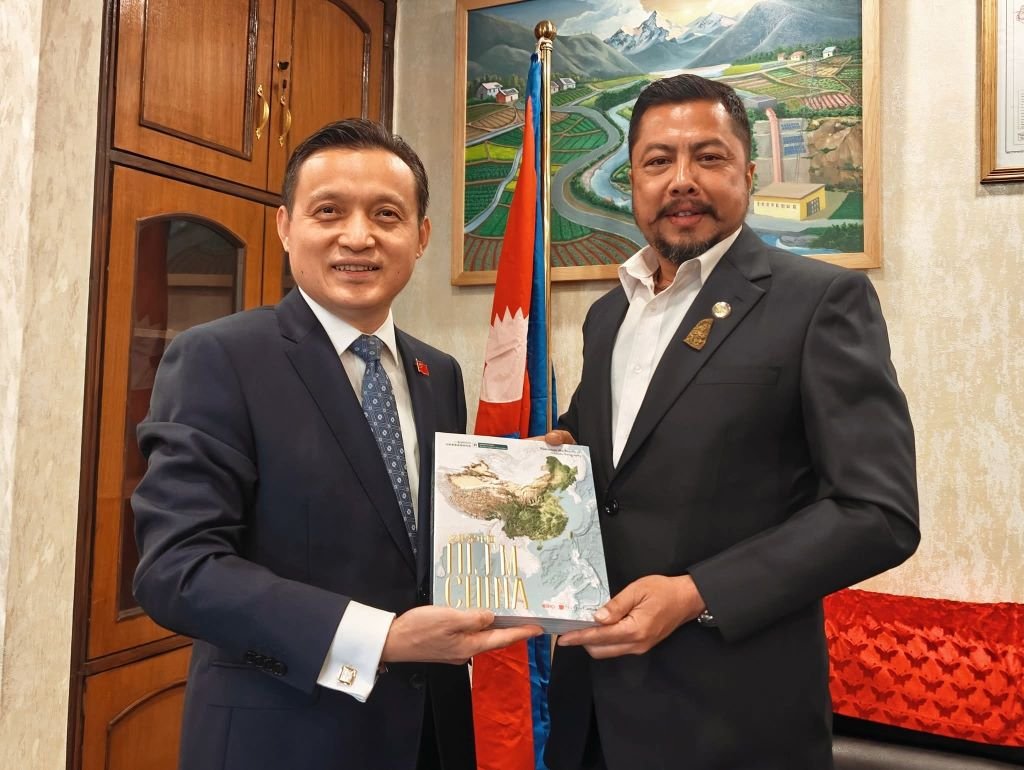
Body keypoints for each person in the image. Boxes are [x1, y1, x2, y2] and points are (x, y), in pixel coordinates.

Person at [132, 119, 541, 770]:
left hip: (431, 735)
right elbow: (178, 570)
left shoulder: (438, 372)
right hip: (285, 739)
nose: (358, 236)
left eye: (386, 214)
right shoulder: (219, 357)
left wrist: (520, 492)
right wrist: (382, 637)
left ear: (421, 236)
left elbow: (422, 540)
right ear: (286, 226)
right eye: (329, 211)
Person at [542, 75, 920, 770]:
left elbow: (878, 513)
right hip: (590, 712)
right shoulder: (608, 314)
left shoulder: (820, 301)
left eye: (708, 157)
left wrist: (696, 594)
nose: (681, 179)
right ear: (632, 180)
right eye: (658, 161)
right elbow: (626, 449)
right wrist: (560, 448)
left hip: (733, 720)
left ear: (747, 173)